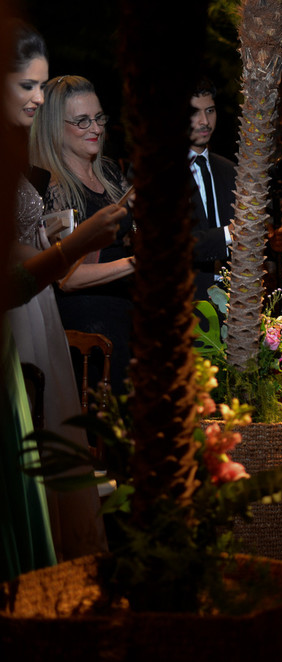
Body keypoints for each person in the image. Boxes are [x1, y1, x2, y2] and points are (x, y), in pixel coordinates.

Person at [4, 24, 113, 561]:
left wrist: (51, 241)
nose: (37, 98)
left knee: (46, 441)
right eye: (27, 85)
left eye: (40, 87)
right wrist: (77, 245)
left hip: (36, 307)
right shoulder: (30, 171)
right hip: (19, 310)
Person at [29, 74, 136, 394]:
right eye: (82, 121)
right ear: (54, 127)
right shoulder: (51, 187)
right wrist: (134, 264)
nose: (96, 129)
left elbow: (126, 235)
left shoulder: (110, 172)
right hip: (89, 334)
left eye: (99, 117)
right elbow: (67, 278)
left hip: (127, 318)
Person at [187, 78, 236, 302]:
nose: (205, 121)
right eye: (194, 113)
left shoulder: (229, 170)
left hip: (235, 302)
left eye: (210, 111)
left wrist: (274, 245)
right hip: (184, 303)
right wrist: (229, 234)